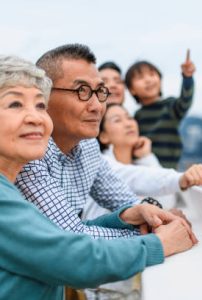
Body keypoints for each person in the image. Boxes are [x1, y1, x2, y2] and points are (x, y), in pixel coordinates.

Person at [0, 55, 197, 300]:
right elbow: (72, 253)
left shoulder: (84, 149)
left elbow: (61, 237)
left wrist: (126, 217)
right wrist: (159, 242)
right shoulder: (23, 172)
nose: (35, 117)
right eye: (15, 105)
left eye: (39, 105)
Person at [14, 43, 187, 239]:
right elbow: (69, 236)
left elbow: (125, 201)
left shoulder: (88, 146)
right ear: (43, 97)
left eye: (100, 92)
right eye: (82, 91)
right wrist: (156, 238)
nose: (97, 106)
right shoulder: (28, 152)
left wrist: (154, 218)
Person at [125, 50, 195, 169]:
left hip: (169, 169)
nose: (148, 80)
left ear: (160, 80)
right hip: (144, 168)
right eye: (140, 77)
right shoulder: (136, 116)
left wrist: (187, 78)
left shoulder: (170, 106)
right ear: (132, 89)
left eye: (152, 74)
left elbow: (185, 100)